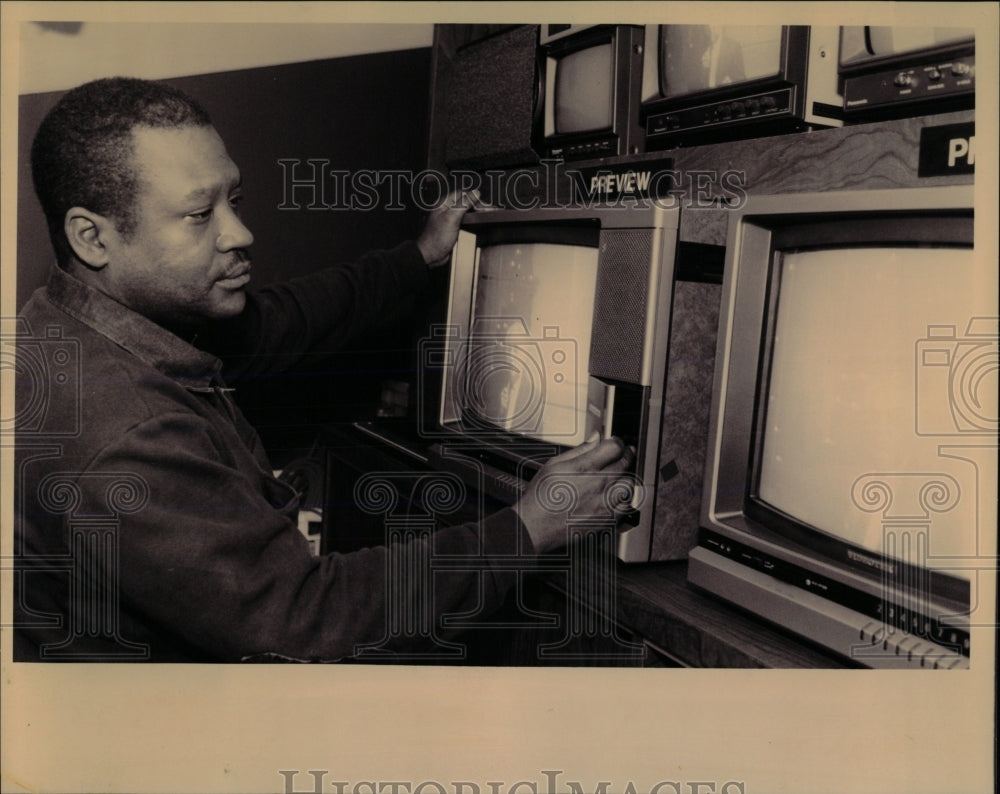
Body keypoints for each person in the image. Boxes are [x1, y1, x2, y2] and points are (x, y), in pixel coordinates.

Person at [14, 77, 634, 662]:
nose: (241, 232)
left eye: (235, 200)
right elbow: (303, 613)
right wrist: (530, 526)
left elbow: (286, 318)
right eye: (200, 215)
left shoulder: (70, 325)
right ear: (92, 238)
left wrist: (418, 258)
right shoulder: (128, 432)